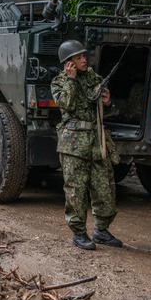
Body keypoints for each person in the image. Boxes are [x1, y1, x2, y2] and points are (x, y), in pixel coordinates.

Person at [51, 40, 123, 250]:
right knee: (76, 191)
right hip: (73, 145)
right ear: (68, 63)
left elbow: (105, 111)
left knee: (105, 188)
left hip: (96, 141)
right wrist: (72, 81)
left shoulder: (94, 78)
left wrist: (108, 103)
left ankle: (101, 230)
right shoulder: (59, 82)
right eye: (78, 57)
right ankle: (79, 233)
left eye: (84, 56)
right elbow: (66, 105)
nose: (84, 60)